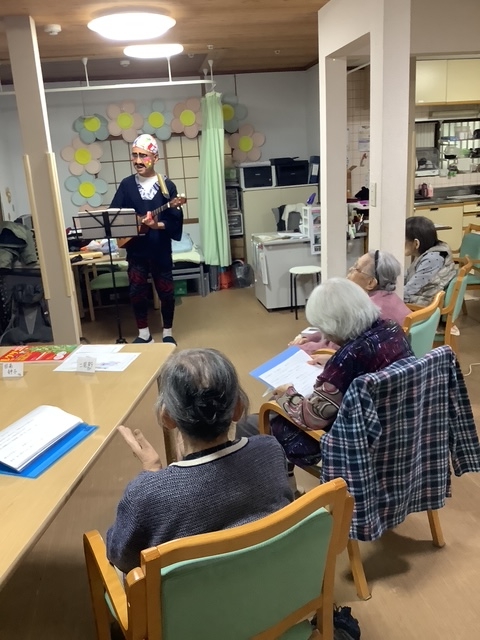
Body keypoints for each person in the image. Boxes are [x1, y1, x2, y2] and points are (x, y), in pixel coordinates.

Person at [106, 348, 293, 575]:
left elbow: (121, 558)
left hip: (189, 598)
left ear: (167, 417)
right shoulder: (270, 450)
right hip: (267, 581)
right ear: (238, 409)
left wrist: (152, 472)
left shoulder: (146, 493)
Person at [237, 278, 414, 469]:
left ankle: (274, 480)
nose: (325, 336)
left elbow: (312, 418)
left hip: (353, 437)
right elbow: (367, 367)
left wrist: (287, 393)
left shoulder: (348, 358)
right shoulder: (391, 329)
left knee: (249, 424)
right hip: (395, 425)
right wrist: (332, 361)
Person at [110, 133, 183, 345]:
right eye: (134, 155)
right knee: (136, 292)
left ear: (155, 158)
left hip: (160, 249)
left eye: (143, 155)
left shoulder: (167, 186)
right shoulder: (126, 185)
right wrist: (134, 223)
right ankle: (144, 334)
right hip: (136, 250)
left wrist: (156, 225)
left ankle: (167, 332)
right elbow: (115, 215)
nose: (138, 160)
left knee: (166, 292)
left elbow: (174, 220)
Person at [290, 250, 410, 362]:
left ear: (371, 283)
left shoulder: (365, 311)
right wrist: (311, 337)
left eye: (356, 268)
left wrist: (300, 347)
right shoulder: (393, 299)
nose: (349, 271)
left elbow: (336, 347)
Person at [404, 216, 456, 306]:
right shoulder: (429, 252)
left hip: (424, 302)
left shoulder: (431, 259)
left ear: (416, 243)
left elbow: (410, 289)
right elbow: (409, 274)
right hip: (422, 296)